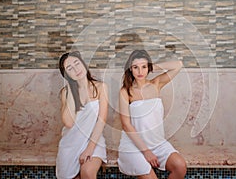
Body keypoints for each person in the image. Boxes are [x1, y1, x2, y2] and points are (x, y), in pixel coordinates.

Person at [118, 50, 187, 179]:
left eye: (143, 67)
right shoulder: (125, 92)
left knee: (180, 166)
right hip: (134, 146)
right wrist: (146, 151)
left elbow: (178, 64)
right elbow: (126, 125)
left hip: (157, 143)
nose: (140, 71)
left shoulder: (156, 84)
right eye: (135, 67)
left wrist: (150, 67)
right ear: (130, 69)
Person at [56, 51, 108, 179]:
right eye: (70, 68)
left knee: (88, 173)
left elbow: (101, 121)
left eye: (77, 63)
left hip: (94, 141)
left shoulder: (101, 87)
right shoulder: (65, 93)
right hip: (71, 142)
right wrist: (71, 88)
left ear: (83, 64)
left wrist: (89, 149)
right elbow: (68, 123)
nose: (76, 69)